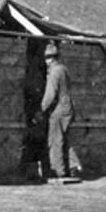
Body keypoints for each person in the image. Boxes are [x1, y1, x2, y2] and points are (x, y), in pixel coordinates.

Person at [39, 41, 76, 181]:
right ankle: (73, 167)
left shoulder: (54, 72)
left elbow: (50, 95)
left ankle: (59, 171)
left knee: (55, 140)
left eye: (47, 59)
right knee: (66, 139)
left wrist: (41, 110)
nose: (47, 62)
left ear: (50, 58)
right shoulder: (64, 69)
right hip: (69, 108)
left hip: (59, 110)